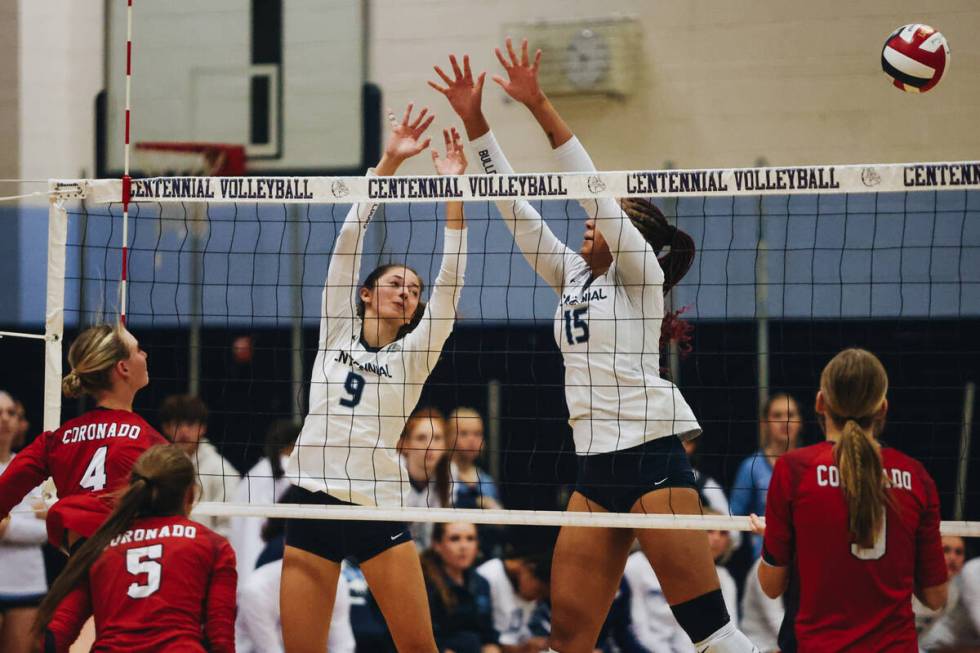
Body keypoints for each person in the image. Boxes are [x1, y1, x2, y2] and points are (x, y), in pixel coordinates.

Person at [430, 40, 757, 653]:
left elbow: (591, 191)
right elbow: (517, 212)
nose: (590, 222)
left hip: (651, 460)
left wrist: (538, 102)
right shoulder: (575, 276)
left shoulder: (639, 275)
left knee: (709, 632)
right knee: (569, 638)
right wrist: (476, 121)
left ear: (630, 234)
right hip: (594, 467)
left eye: (608, 217)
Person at [280, 106, 468, 653]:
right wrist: (388, 162)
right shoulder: (336, 329)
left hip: (374, 503)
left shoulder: (415, 354)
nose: (407, 292)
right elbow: (348, 240)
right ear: (366, 294)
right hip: (311, 499)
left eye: (412, 290)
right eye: (394, 283)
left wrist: (453, 195)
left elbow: (450, 286)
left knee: (418, 647)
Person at [753, 348, 948, 652]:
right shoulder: (916, 476)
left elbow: (771, 586)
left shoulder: (794, 470)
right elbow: (936, 598)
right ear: (882, 408)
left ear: (820, 402)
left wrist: (782, 544)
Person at [33, 444, 237, 652]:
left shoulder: (100, 545)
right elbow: (221, 641)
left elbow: (54, 637)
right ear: (190, 495)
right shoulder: (214, 546)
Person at [0, 324, 167, 552]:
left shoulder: (57, 440)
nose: (145, 354)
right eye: (138, 349)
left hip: (78, 560)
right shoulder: (151, 441)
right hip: (127, 562)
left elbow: (4, 490)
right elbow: (178, 503)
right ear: (123, 368)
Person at [0, 391, 47, 653]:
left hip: (27, 583)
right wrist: (30, 515)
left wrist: (8, 527)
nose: (5, 419)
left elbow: (50, 528)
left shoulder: (30, 467)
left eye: (11, 413)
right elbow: (39, 520)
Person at [730, 393, 802, 556]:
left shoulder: (812, 464)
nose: (785, 421)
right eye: (777, 415)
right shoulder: (751, 466)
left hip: (806, 556)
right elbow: (733, 517)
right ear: (765, 423)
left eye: (791, 415)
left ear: (800, 422)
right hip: (764, 559)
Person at [228, 419, 301, 581]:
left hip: (241, 565)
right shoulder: (295, 472)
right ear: (295, 444)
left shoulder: (252, 473)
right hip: (272, 563)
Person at [159, 394, 240, 538]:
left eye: (190, 424)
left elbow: (229, 526)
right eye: (177, 423)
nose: (184, 431)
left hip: (206, 552)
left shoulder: (221, 470)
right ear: (166, 428)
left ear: (202, 428)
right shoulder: (157, 468)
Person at [421, 522, 500, 653]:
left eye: (470, 539)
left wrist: (492, 648)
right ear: (437, 545)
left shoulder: (481, 583)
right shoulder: (425, 583)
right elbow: (425, 637)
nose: (464, 546)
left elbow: (488, 635)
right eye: (455, 539)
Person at [476, 548, 550, 652]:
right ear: (529, 569)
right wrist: (521, 649)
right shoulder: (488, 576)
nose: (538, 599)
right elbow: (484, 637)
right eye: (539, 592)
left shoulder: (524, 584)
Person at [399, 407, 452, 549]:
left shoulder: (451, 477)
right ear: (405, 445)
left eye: (437, 438)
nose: (430, 446)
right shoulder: (390, 472)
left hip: (428, 557)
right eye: (421, 438)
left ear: (445, 445)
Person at [447, 407, 502, 509]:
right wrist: (478, 502)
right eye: (464, 433)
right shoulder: (439, 475)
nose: (472, 440)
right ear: (448, 436)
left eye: (477, 434)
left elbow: (500, 522)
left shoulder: (486, 481)